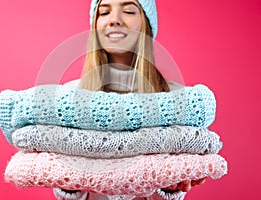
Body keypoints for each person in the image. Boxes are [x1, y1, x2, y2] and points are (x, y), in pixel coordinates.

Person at [59, 0, 206, 199]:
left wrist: (171, 186)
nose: (114, 20)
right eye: (104, 12)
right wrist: (67, 181)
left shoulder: (176, 100)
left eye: (128, 10)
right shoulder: (69, 99)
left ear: (146, 23)